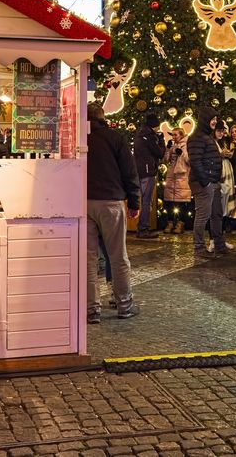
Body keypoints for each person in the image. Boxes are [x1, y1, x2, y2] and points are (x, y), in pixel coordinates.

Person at [86, 103, 140, 323]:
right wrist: (134, 201)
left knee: (88, 259)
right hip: (111, 202)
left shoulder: (79, 137)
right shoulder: (115, 138)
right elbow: (129, 171)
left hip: (83, 202)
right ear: (103, 117)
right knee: (118, 256)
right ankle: (124, 305)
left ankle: (92, 309)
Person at [187, 108, 231, 256]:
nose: (214, 121)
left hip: (213, 182)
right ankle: (199, 247)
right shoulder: (197, 137)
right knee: (203, 215)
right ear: (205, 119)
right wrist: (205, 182)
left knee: (216, 214)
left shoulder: (207, 136)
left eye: (216, 118)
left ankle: (219, 244)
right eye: (212, 118)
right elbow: (196, 161)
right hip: (203, 183)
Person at [132, 114, 165, 240]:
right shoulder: (150, 137)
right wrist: (161, 140)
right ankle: (143, 229)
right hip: (148, 172)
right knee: (147, 201)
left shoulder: (140, 134)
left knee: (142, 200)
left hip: (139, 171)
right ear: (155, 126)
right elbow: (160, 153)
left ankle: (141, 227)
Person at [163, 127, 192, 233]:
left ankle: (180, 224)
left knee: (182, 202)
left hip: (182, 176)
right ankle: (170, 223)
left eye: (176, 135)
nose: (173, 137)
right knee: (170, 202)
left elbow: (189, 160)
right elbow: (166, 159)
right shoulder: (173, 145)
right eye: (172, 135)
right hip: (171, 176)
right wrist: (168, 149)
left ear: (181, 135)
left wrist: (182, 153)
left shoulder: (187, 145)